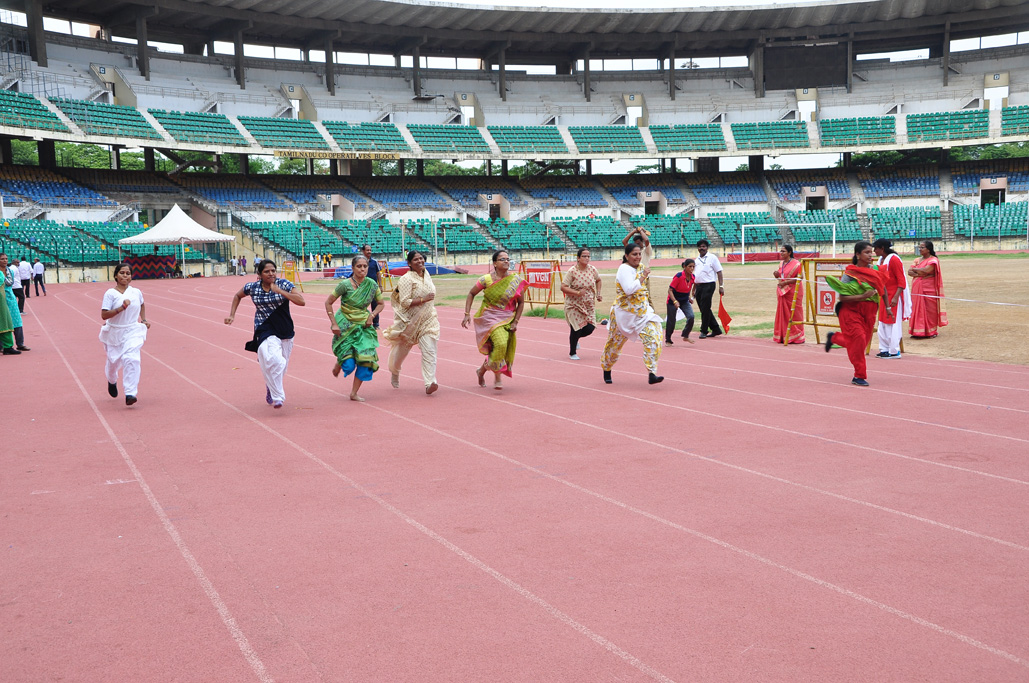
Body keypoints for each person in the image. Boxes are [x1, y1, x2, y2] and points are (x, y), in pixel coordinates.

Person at [225, 259, 306, 409]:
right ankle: (278, 397)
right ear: (259, 274)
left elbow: (301, 301)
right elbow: (237, 296)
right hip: (264, 327)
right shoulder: (252, 287)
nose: (271, 274)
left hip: (284, 329)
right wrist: (232, 315)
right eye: (267, 272)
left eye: (273, 271)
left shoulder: (284, 284)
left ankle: (271, 386)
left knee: (282, 366)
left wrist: (281, 292)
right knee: (272, 358)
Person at [462, 250, 527, 390]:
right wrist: (467, 313)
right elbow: (471, 293)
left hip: (507, 319)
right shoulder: (486, 279)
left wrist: (516, 321)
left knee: (497, 349)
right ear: (495, 263)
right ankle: (497, 377)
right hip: (489, 318)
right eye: (502, 259)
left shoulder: (515, 280)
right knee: (501, 344)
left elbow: (521, 302)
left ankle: (481, 370)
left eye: (508, 259)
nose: (506, 261)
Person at [824, 242, 886, 387]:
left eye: (871, 252)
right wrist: (863, 296)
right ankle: (859, 376)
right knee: (858, 339)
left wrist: (888, 307)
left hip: (869, 312)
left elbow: (882, 289)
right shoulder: (850, 273)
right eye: (867, 252)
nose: (871, 255)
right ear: (858, 255)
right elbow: (842, 297)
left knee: (860, 343)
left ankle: (834, 337)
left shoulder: (876, 270)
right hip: (850, 310)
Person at [601, 243, 664, 385]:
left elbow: (643, 290)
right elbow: (629, 289)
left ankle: (652, 372)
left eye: (639, 254)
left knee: (655, 337)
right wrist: (642, 277)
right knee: (614, 345)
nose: (638, 257)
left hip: (642, 312)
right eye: (634, 254)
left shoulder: (642, 267)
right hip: (624, 314)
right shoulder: (623, 269)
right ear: (626, 256)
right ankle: (607, 368)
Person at [326, 254, 384, 402]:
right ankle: (340, 362)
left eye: (365, 266)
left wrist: (372, 315)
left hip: (364, 326)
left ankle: (354, 393)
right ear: (353, 268)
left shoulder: (372, 284)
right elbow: (328, 302)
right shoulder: (344, 285)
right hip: (345, 325)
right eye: (359, 266)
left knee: (366, 360)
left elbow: (381, 303)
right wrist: (334, 323)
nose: (362, 269)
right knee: (349, 365)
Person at [383, 250, 439, 395]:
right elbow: (404, 302)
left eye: (421, 259)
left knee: (429, 350)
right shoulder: (406, 279)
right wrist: (423, 299)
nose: (420, 261)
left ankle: (430, 382)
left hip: (428, 319)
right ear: (409, 263)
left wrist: (427, 302)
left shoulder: (426, 274)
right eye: (416, 260)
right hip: (409, 322)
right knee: (399, 354)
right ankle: (395, 371)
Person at [100, 263, 150, 405]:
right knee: (113, 362)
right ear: (116, 275)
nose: (125, 276)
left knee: (131, 358)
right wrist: (122, 308)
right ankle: (111, 380)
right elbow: (104, 315)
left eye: (128, 273)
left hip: (132, 330)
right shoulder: (110, 294)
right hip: (114, 331)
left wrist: (144, 319)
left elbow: (141, 304)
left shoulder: (136, 292)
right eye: (122, 273)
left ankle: (130, 393)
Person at [560, 247, 603, 360]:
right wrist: (577, 292)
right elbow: (563, 287)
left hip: (588, 304)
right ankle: (572, 352)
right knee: (576, 328)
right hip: (574, 304)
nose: (587, 258)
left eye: (588, 256)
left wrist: (598, 293)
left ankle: (576, 338)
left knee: (590, 328)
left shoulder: (592, 270)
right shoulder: (572, 271)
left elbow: (598, 280)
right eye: (584, 256)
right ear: (578, 258)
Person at [872, 238, 909, 359]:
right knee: (883, 321)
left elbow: (901, 281)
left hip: (893, 296)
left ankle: (894, 350)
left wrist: (896, 297)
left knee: (892, 323)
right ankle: (884, 349)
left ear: (882, 248)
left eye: (876, 248)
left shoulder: (894, 260)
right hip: (884, 295)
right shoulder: (880, 260)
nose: (874, 251)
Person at [907, 240, 948, 339]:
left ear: (928, 249)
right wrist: (920, 272)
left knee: (929, 310)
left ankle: (930, 331)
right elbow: (909, 272)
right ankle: (917, 331)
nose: (920, 249)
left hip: (928, 288)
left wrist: (916, 270)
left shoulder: (933, 260)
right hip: (917, 288)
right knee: (916, 309)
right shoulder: (917, 260)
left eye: (922, 247)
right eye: (919, 247)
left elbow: (926, 270)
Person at [772, 244, 805, 344]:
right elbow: (781, 278)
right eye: (781, 251)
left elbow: (800, 277)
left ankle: (796, 336)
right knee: (782, 313)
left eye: (783, 251)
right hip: (783, 292)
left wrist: (786, 283)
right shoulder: (781, 263)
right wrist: (776, 276)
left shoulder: (797, 264)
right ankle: (783, 335)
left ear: (789, 252)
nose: (781, 253)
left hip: (794, 292)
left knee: (795, 313)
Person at [693, 239, 724, 338]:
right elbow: (695, 275)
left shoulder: (712, 258)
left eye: (703, 246)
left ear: (707, 248)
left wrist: (721, 286)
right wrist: (693, 289)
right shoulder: (696, 260)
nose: (701, 248)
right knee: (703, 308)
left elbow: (719, 272)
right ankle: (716, 329)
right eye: (700, 247)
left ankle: (704, 330)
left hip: (709, 285)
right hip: (699, 286)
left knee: (705, 307)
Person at [1, 253, 29, 353]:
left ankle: (20, 343)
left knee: (16, 319)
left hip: (10, 297)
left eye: (6, 259)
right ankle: (3, 345)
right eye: (2, 259)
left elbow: (10, 283)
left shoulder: (10, 271)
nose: (5, 260)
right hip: (1, 298)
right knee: (2, 321)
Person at [665, 259, 696, 345]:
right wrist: (675, 301)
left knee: (691, 316)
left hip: (684, 301)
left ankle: (685, 335)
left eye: (693, 266)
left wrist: (689, 297)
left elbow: (688, 287)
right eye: (690, 266)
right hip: (672, 300)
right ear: (684, 267)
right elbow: (670, 290)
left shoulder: (693, 277)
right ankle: (668, 339)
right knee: (672, 320)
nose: (692, 268)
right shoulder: (678, 276)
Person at [361, 245, 381, 328]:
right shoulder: (360, 262)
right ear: (363, 251)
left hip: (373, 288)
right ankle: (362, 322)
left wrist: (380, 285)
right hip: (363, 287)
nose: (369, 251)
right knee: (361, 305)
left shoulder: (374, 262)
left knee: (375, 306)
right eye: (367, 250)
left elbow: (378, 273)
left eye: (370, 250)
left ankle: (376, 324)